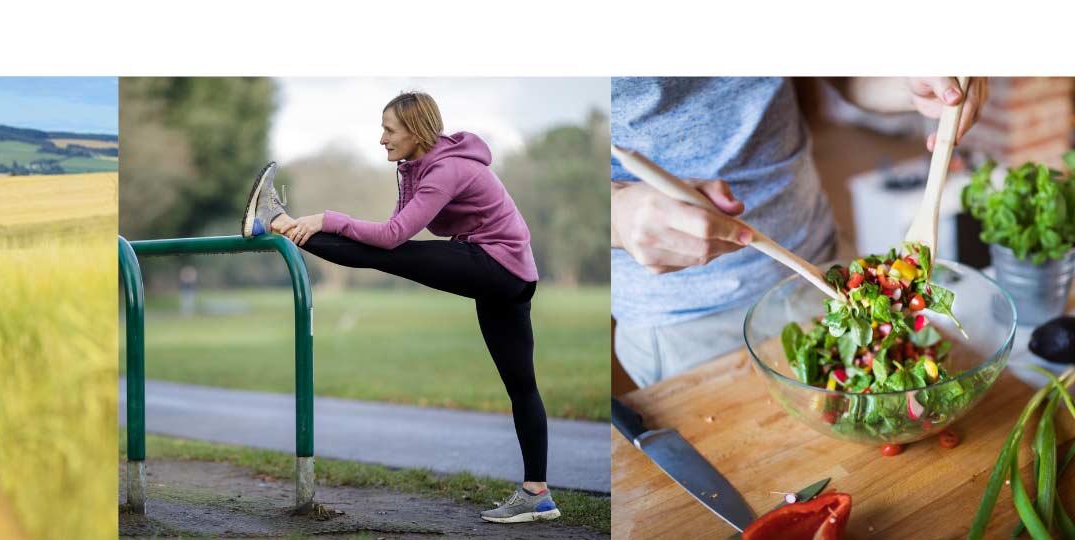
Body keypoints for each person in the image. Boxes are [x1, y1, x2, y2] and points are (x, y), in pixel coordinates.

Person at [243, 91, 559, 524]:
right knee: (522, 385)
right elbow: (391, 228)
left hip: (497, 266)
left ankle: (275, 220)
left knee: (389, 254)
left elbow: (392, 237)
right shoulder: (416, 168)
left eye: (389, 130)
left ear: (416, 131)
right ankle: (537, 494)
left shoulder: (447, 169)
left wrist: (325, 219)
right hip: (511, 276)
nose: (382, 139)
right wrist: (336, 221)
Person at [610, 77, 987, 387]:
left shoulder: (860, 286)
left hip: (823, 261)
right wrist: (618, 209)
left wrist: (909, 81)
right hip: (687, 320)